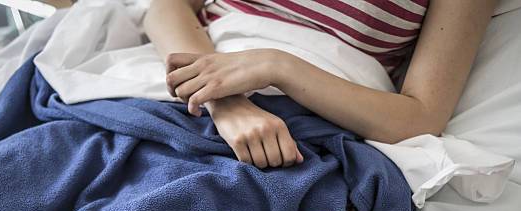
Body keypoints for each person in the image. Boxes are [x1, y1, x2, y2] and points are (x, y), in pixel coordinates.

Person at [143, 0, 497, 169]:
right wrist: (226, 103)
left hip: (303, 124)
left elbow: (421, 116)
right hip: (184, 89)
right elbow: (166, 9)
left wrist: (276, 65)